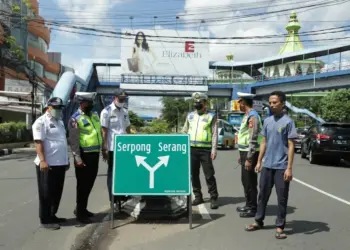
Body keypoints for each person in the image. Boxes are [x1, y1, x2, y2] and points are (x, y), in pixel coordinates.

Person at [245, 91, 297, 240]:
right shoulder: (267, 121)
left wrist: (289, 167)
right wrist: (259, 161)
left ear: (282, 103)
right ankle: (258, 220)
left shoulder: (288, 122)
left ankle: (280, 226)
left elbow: (291, 145)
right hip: (267, 165)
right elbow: (264, 142)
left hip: (281, 167)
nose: (271, 105)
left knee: (282, 198)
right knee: (262, 196)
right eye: (270, 102)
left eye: (274, 102)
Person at [32, 97, 69, 230]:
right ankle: (45, 219)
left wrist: (66, 160)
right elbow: (38, 142)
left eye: (60, 107)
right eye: (56, 107)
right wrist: (42, 160)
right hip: (47, 164)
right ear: (49, 107)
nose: (58, 110)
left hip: (60, 163)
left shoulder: (60, 122)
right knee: (46, 192)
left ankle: (53, 215)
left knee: (57, 191)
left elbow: (62, 142)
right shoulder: (41, 122)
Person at [68, 92, 102, 224]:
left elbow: (98, 133)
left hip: (94, 154)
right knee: (82, 185)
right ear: (82, 104)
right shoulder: (75, 119)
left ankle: (82, 208)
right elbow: (74, 141)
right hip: (83, 156)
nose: (91, 105)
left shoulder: (94, 115)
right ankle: (80, 215)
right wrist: (77, 158)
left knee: (89, 184)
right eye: (89, 103)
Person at [182, 92, 219, 209]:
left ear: (205, 103)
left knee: (209, 175)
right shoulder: (190, 116)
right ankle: (198, 196)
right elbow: (184, 131)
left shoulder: (211, 116)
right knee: (194, 174)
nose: (197, 104)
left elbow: (214, 134)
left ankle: (213, 197)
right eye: (195, 102)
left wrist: (214, 149)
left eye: (199, 102)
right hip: (192, 149)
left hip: (205, 150)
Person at [100, 88, 131, 209]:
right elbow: (104, 131)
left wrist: (131, 142)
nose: (122, 101)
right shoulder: (106, 111)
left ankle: (122, 196)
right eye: (120, 99)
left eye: (124, 99)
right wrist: (104, 148)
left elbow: (127, 128)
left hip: (124, 148)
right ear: (115, 98)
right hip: (113, 148)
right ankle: (112, 199)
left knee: (123, 172)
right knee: (112, 173)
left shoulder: (124, 111)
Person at [236, 92, 263, 218]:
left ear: (243, 102)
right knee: (245, 180)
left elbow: (253, 138)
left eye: (239, 102)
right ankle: (248, 204)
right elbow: (244, 137)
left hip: (250, 153)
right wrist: (241, 154)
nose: (238, 105)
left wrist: (249, 158)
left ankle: (252, 208)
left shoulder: (253, 116)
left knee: (250, 181)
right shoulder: (246, 116)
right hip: (244, 152)